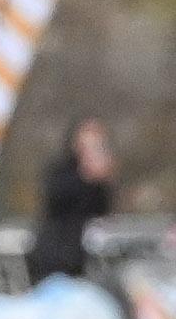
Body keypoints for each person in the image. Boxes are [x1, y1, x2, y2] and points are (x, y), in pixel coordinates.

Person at [28, 118, 116, 284]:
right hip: (55, 255)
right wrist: (86, 176)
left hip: (83, 255)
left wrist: (101, 181)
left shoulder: (98, 183)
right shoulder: (62, 172)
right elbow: (57, 199)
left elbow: (101, 210)